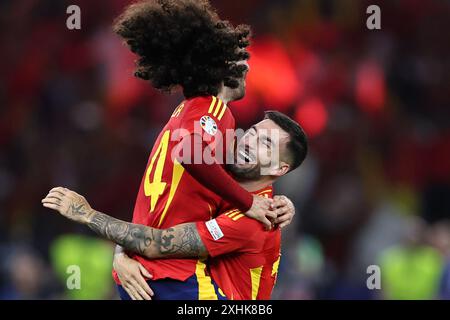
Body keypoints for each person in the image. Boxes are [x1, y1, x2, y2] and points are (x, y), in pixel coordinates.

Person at [43, 111, 308, 300]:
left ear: (279, 167)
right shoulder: (221, 179)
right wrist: (122, 255)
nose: (249, 141)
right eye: (252, 133)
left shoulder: (254, 220)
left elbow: (157, 243)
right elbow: (154, 221)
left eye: (265, 144)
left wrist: (86, 215)